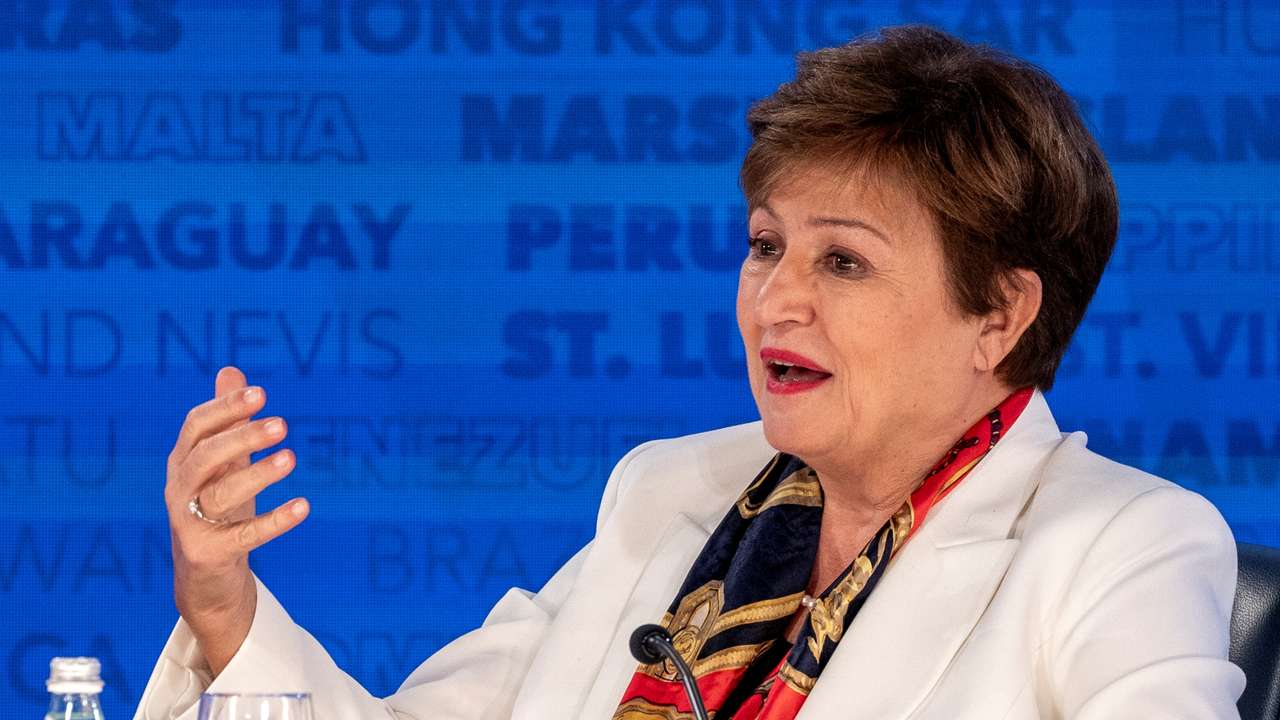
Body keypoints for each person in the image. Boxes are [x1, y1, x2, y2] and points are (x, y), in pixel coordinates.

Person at [134, 26, 1244, 719]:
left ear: (998, 312)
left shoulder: (1119, 544)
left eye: (843, 261)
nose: (776, 298)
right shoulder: (669, 491)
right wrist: (223, 603)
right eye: (766, 245)